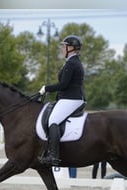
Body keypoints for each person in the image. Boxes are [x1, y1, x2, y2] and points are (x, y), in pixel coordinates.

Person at [38, 35, 85, 167]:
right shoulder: (72, 62)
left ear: (70, 48)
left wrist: (46, 88)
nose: (62, 49)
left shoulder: (72, 63)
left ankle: (53, 156)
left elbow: (63, 84)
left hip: (72, 98)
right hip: (70, 98)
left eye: (64, 46)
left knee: (53, 120)